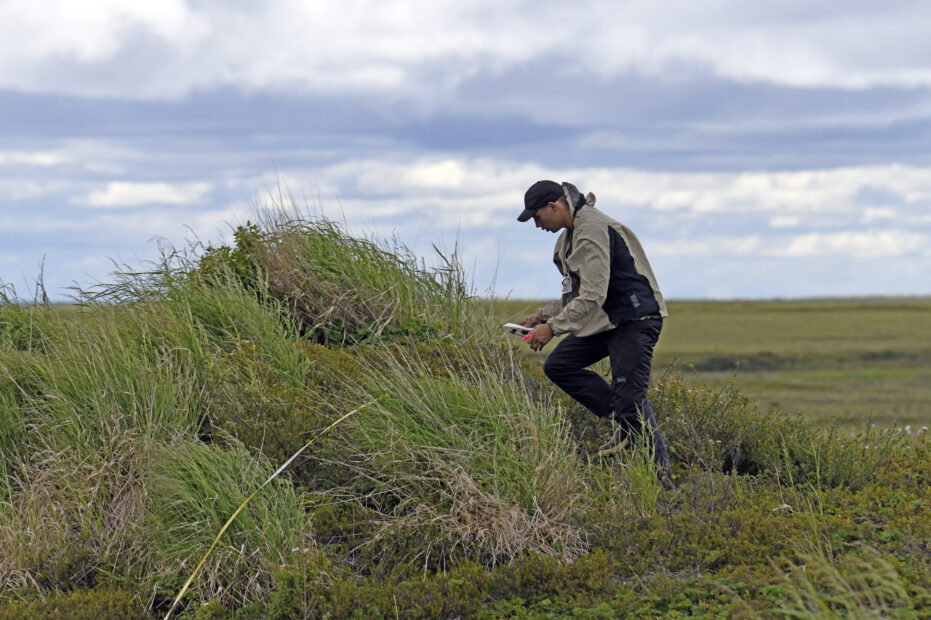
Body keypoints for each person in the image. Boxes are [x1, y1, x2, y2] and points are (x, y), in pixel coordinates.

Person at [517, 180, 671, 476]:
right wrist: (541, 317)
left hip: (634, 320)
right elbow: (576, 294)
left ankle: (663, 483)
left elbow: (592, 294)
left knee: (632, 401)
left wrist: (553, 328)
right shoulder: (569, 237)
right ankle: (624, 420)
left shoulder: (591, 230)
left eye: (536, 217)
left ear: (554, 206)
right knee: (559, 365)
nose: (537, 225)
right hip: (606, 321)